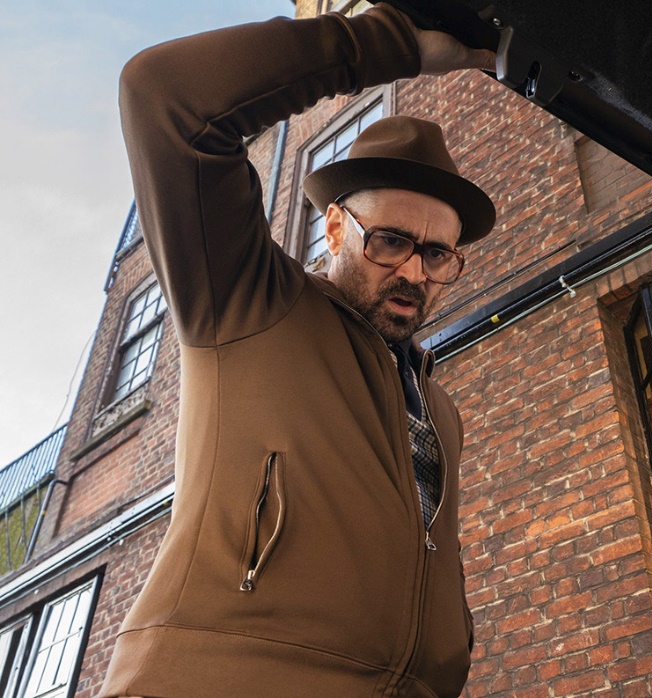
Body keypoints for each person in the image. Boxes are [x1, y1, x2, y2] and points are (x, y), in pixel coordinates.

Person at [101, 6, 496, 697]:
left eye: (437, 254)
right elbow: (164, 94)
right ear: (335, 228)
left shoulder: (439, 407)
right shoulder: (249, 300)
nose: (413, 272)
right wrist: (395, 44)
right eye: (391, 241)